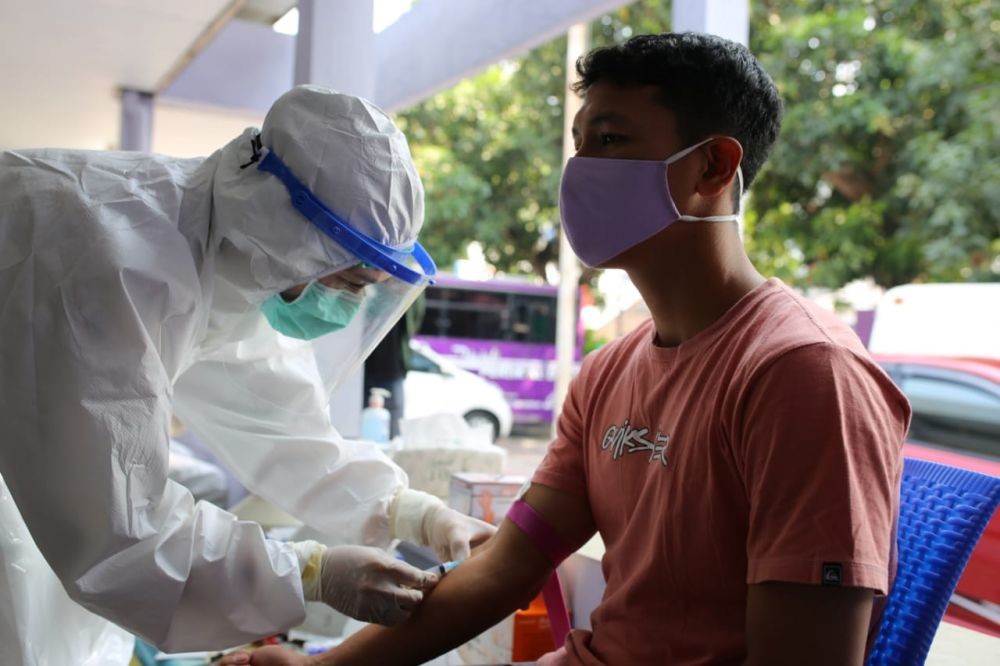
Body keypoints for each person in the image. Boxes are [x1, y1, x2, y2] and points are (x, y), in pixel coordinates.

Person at [222, 33, 910, 666]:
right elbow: (506, 567)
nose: (579, 172)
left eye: (610, 140)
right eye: (579, 145)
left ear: (711, 167)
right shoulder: (611, 371)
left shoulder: (802, 374)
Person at [0, 85, 494, 663]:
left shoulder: (216, 253)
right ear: (291, 242)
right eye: (351, 282)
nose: (348, 307)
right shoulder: (107, 262)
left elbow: (277, 420)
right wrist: (309, 573)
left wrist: (409, 510)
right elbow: (121, 536)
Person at [363, 295, 426, 438]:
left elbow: (415, 320)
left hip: (392, 371)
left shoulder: (410, 287)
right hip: (359, 373)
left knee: (390, 433)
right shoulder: (367, 285)